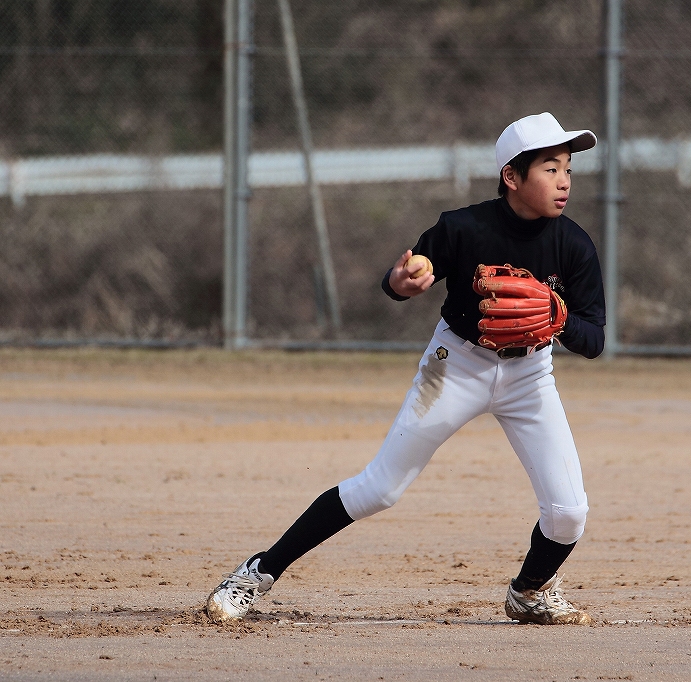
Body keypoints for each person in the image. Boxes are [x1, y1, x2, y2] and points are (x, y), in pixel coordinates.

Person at [205, 112, 606, 626]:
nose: (565, 180)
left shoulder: (574, 245)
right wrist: (400, 281)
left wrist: (561, 317)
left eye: (568, 168)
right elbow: (403, 279)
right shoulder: (462, 228)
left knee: (569, 512)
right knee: (380, 488)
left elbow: (593, 340)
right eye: (550, 168)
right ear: (512, 176)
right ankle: (256, 572)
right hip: (456, 364)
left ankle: (529, 592)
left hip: (530, 375)